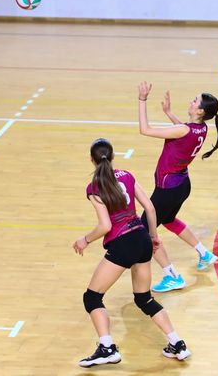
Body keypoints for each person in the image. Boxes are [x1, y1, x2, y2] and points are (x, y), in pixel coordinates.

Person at [73, 138, 191, 368]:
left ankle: (107, 348)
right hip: (142, 237)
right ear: (113, 156)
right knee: (144, 299)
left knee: (92, 297)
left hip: (122, 243)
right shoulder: (127, 175)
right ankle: (177, 343)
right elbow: (150, 208)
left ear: (91, 160)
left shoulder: (94, 188)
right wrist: (154, 237)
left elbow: (105, 226)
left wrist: (84, 240)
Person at [137, 82, 218, 293]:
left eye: (195, 101)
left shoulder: (185, 129)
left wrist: (142, 99)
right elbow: (183, 132)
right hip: (182, 185)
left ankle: (172, 276)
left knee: (144, 232)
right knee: (169, 220)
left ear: (200, 111)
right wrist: (169, 113)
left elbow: (145, 130)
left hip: (168, 189)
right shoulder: (201, 128)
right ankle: (204, 253)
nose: (191, 102)